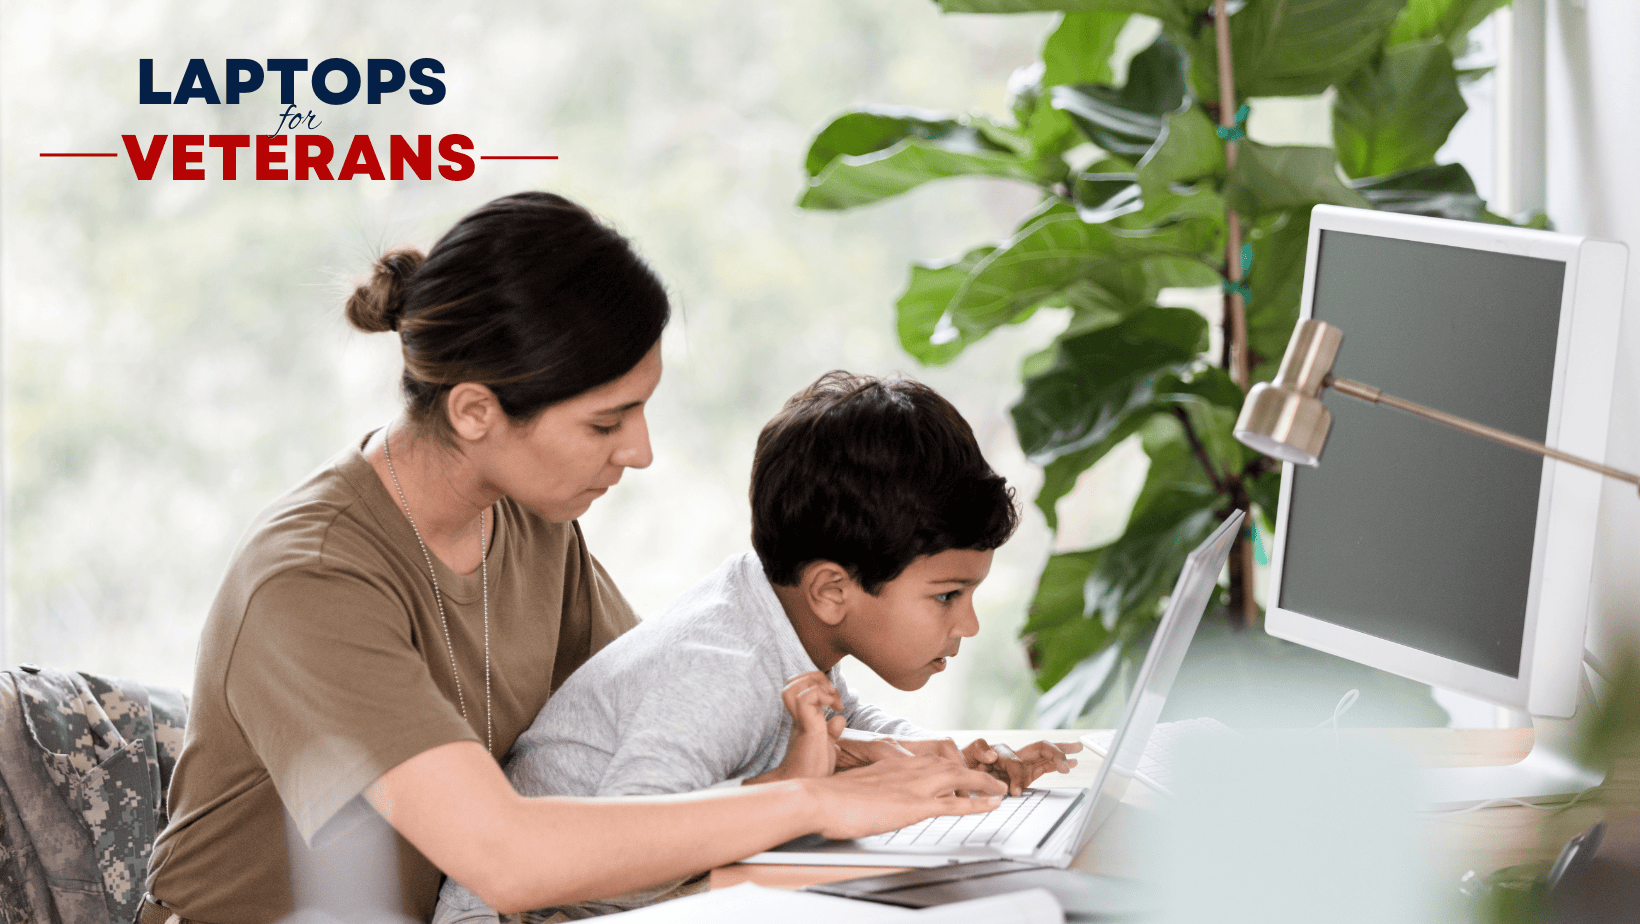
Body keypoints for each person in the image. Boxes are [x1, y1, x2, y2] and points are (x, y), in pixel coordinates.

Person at [142, 192, 1007, 924]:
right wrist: (816, 798)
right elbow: (507, 858)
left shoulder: (529, 521)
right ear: (477, 411)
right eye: (606, 422)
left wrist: (911, 767)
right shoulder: (312, 580)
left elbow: (651, 747)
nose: (641, 452)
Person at [434, 372, 1082, 922]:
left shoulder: (780, 614)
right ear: (833, 589)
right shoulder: (722, 672)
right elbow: (617, 865)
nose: (967, 625)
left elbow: (845, 724)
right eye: (947, 596)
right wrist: (784, 787)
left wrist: (946, 763)